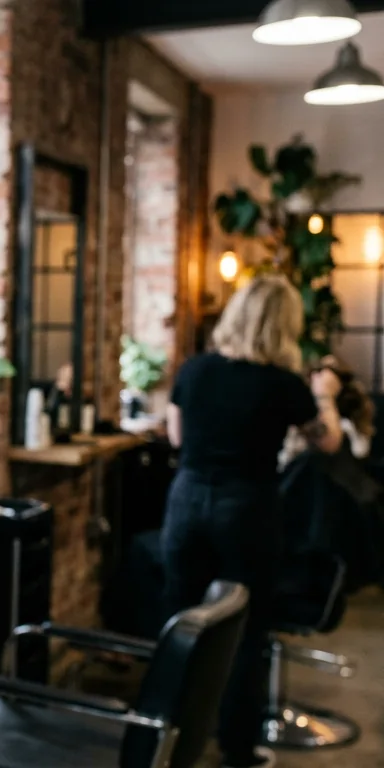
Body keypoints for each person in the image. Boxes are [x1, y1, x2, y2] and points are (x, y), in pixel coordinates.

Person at [163, 274, 343, 768]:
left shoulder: (196, 369)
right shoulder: (283, 385)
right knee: (244, 632)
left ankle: (166, 737)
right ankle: (237, 751)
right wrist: (325, 392)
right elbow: (327, 441)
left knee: (180, 624)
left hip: (186, 502)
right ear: (284, 326)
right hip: (246, 511)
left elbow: (176, 438)